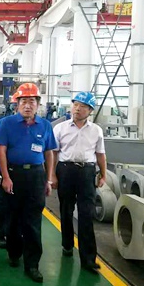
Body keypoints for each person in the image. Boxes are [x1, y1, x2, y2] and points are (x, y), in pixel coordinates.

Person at [0, 83, 57, 283]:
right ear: (17, 104)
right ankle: (14, 253)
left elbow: (49, 152)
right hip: (14, 174)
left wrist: (48, 179)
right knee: (12, 219)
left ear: (38, 104)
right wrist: (5, 177)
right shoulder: (6, 124)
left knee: (33, 221)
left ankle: (32, 264)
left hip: (36, 176)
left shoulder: (45, 126)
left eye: (32, 101)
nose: (27, 105)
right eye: (23, 102)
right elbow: (1, 150)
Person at [51, 91, 106, 274]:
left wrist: (103, 174)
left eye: (82, 106)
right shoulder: (60, 128)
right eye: (75, 105)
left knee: (86, 214)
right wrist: (52, 175)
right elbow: (53, 153)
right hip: (65, 170)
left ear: (90, 110)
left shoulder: (96, 130)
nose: (77, 109)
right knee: (66, 210)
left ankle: (88, 259)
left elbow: (100, 154)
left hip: (87, 172)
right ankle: (67, 244)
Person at [0, 91, 19, 249]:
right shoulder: (4, 123)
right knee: (2, 203)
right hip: (5, 169)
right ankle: (0, 234)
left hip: (24, 173)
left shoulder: (36, 124)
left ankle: (16, 233)